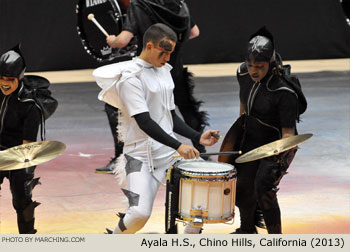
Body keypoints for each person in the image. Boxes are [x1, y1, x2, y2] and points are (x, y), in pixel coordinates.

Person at [94, 23, 219, 234]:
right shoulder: (130, 78)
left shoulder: (164, 71)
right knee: (139, 215)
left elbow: (169, 116)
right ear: (149, 46)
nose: (168, 58)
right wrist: (179, 145)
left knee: (200, 206)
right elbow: (145, 122)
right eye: (164, 52)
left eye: (170, 53)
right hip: (139, 157)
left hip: (168, 153)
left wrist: (197, 136)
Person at [96, 0, 208, 173]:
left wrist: (113, 40)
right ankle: (201, 151)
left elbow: (123, 40)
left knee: (116, 106)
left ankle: (120, 157)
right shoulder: (179, 5)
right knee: (187, 108)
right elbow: (195, 32)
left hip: (150, 70)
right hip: (175, 69)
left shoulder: (139, 4)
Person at [222, 27, 306, 234]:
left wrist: (277, 158)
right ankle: (247, 230)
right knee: (242, 187)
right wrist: (239, 129)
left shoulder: (284, 90)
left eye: (259, 66)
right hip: (250, 136)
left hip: (277, 143)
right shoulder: (242, 72)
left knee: (263, 189)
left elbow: (288, 134)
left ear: (270, 62)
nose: (253, 71)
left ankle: (275, 239)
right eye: (250, 65)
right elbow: (244, 103)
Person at [0, 45, 57, 234]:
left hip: (20, 154)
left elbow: (28, 144)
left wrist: (24, 166)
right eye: (1, 78)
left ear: (20, 78)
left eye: (10, 80)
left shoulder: (30, 105)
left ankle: (27, 241)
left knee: (22, 201)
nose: (4, 83)